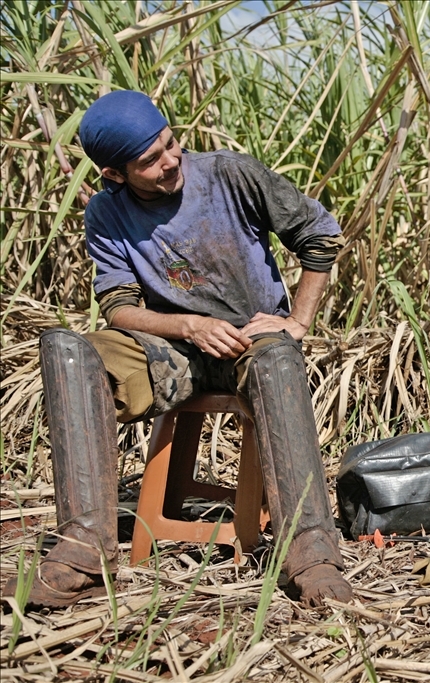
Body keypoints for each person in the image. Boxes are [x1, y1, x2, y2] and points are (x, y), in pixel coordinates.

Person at [4, 90, 352, 609]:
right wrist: (188, 326)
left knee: (278, 356)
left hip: (252, 347)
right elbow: (118, 306)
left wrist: (296, 321)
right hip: (178, 353)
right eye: (150, 160)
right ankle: (83, 552)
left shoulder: (230, 175)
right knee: (68, 350)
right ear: (114, 175)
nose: (171, 163)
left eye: (171, 144)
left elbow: (321, 234)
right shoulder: (106, 212)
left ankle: (311, 555)